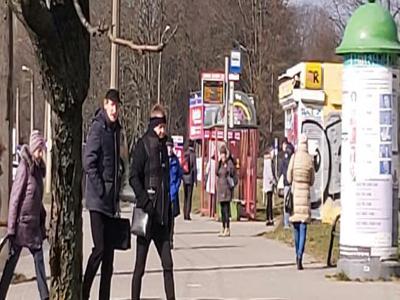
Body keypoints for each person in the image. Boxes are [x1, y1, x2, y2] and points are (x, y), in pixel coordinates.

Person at [130, 104, 175, 300]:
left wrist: (170, 212)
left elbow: (166, 182)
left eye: (164, 127)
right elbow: (133, 177)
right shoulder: (143, 146)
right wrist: (145, 201)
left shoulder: (164, 148)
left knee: (168, 264)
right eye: (160, 127)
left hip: (162, 219)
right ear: (153, 125)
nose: (163, 131)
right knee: (140, 266)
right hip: (147, 216)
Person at [82, 89, 121, 300]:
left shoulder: (116, 130)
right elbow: (89, 162)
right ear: (105, 104)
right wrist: (101, 189)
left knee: (109, 256)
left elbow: (115, 164)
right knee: (99, 249)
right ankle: (84, 291)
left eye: (117, 105)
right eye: (111, 104)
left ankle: (103, 296)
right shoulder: (98, 128)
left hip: (111, 202)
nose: (114, 109)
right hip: (98, 201)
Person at [0, 131, 49, 300]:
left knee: (39, 262)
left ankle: (45, 296)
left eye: (42, 150)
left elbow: (37, 199)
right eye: (39, 150)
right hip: (21, 226)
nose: (40, 153)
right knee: (11, 263)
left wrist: (43, 220)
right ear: (33, 148)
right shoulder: (24, 168)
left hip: (33, 226)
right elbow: (15, 198)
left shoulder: (37, 171)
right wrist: (12, 227)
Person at [287, 134, 315, 270]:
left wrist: (294, 180)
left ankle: (296, 253)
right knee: (304, 226)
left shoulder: (294, 157)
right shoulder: (309, 159)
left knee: (296, 226)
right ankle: (300, 255)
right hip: (305, 195)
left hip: (295, 192)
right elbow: (312, 179)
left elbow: (288, 175)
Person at [166, 137, 183, 249]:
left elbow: (179, 176)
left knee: (171, 219)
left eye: (171, 147)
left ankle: (170, 239)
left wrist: (175, 188)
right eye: (168, 147)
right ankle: (164, 240)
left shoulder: (175, 161)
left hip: (172, 194)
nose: (170, 149)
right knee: (164, 219)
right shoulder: (161, 159)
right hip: (164, 194)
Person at [216, 145, 236, 237]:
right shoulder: (219, 163)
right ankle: (223, 227)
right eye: (221, 154)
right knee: (222, 210)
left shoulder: (229, 163)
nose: (222, 156)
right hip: (220, 188)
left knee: (226, 209)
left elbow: (231, 172)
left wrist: (226, 166)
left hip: (227, 189)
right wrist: (219, 162)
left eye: (223, 154)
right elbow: (217, 172)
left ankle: (227, 228)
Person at [279, 137, 294, 229]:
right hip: (292, 182)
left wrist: (281, 176)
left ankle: (286, 223)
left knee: (287, 203)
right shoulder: (292, 154)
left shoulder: (285, 156)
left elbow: (283, 169)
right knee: (291, 202)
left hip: (286, 182)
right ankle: (290, 222)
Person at [182, 140, 197, 220]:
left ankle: (184, 213)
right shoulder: (193, 155)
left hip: (184, 177)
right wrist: (195, 180)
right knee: (189, 196)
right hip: (190, 178)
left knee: (185, 196)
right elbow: (194, 168)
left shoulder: (185, 153)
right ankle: (188, 214)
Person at [263, 147, 276, 226]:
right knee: (269, 202)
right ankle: (269, 218)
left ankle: (269, 217)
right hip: (269, 184)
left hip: (268, 184)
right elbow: (270, 173)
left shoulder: (267, 161)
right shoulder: (268, 162)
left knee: (269, 202)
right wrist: (274, 180)